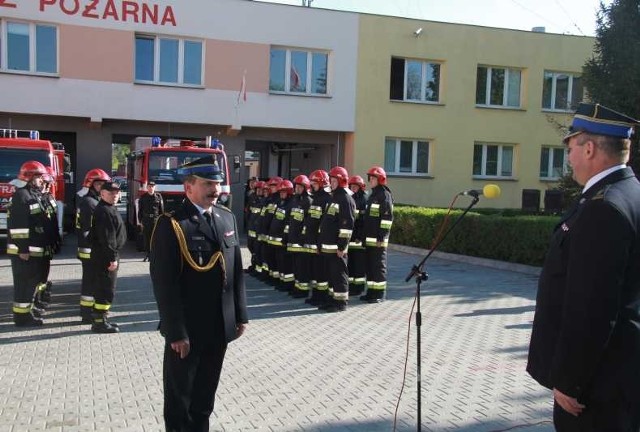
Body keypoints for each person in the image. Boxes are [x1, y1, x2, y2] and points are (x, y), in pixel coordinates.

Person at [527, 103, 640, 431]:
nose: (570, 158)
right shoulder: (628, 193)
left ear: (589, 148)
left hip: (594, 389)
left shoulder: (604, 208)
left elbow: (593, 306)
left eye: (571, 148)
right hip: (619, 375)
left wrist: (570, 380)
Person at [150, 155, 248, 432]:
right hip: (188, 330)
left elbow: (237, 271)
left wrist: (240, 315)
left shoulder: (226, 218)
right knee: (180, 397)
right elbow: (164, 284)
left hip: (220, 325)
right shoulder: (173, 224)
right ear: (188, 187)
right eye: (208, 184)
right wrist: (175, 332)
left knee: (205, 395)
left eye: (217, 183)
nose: (215, 190)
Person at [6, 161, 51, 326]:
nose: (41, 180)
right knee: (23, 284)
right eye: (38, 177)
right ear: (30, 177)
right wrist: (23, 249)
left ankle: (27, 312)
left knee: (30, 282)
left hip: (32, 250)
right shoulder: (21, 196)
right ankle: (22, 317)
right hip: (23, 252)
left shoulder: (31, 194)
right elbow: (19, 227)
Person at [89, 181, 127, 334]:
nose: (115, 195)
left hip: (108, 256)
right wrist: (112, 258)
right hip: (105, 258)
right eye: (111, 193)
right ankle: (99, 323)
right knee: (105, 290)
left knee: (106, 289)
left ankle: (102, 319)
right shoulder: (104, 211)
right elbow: (107, 237)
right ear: (102, 194)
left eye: (117, 192)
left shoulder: (109, 208)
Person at [317, 166, 355, 312]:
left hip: (337, 249)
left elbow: (347, 226)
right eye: (331, 180)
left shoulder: (345, 199)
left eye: (334, 181)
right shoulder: (334, 198)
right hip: (328, 247)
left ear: (341, 181)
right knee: (332, 276)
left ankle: (341, 302)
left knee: (339, 275)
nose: (331, 183)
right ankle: (332, 300)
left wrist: (342, 246)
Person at [75, 168, 111, 323]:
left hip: (89, 249)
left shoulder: (92, 201)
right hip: (89, 250)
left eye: (104, 184)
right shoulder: (90, 203)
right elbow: (91, 230)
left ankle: (88, 310)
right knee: (90, 282)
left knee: (92, 280)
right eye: (99, 184)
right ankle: (86, 313)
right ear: (91, 184)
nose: (102, 187)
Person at [360, 166, 394, 304]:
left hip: (378, 240)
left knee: (378, 267)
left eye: (373, 178)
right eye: (370, 178)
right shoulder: (372, 195)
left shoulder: (384, 195)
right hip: (369, 239)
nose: (371, 180)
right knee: (370, 267)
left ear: (380, 179)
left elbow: (387, 219)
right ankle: (371, 292)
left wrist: (382, 236)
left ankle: (380, 293)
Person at [303, 170, 332, 306]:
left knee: (321, 273)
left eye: (314, 183)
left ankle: (322, 297)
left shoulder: (326, 199)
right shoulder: (316, 199)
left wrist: (319, 243)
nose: (312, 186)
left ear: (321, 183)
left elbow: (324, 224)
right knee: (314, 272)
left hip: (319, 242)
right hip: (312, 242)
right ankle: (315, 295)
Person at [35, 167, 61, 308]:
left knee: (44, 271)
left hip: (49, 241)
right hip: (40, 242)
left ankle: (41, 295)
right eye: (45, 183)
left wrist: (56, 239)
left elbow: (53, 221)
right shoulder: (37, 199)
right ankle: (36, 299)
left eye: (48, 184)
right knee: (38, 273)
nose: (47, 186)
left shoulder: (49, 198)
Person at [287, 175, 313, 298]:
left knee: (303, 268)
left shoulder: (308, 201)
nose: (297, 188)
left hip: (301, 242)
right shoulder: (295, 200)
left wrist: (302, 237)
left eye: (299, 186)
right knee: (296, 267)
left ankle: (303, 291)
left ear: (305, 187)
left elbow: (308, 222)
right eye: (296, 186)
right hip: (293, 240)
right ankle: (297, 288)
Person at [347, 175, 367, 296]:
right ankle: (351, 286)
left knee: (359, 265)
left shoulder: (364, 199)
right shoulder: (351, 198)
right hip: (351, 237)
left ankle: (359, 287)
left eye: (355, 186)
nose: (353, 188)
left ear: (360, 187)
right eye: (352, 186)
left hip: (358, 238)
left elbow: (364, 221)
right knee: (351, 264)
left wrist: (360, 236)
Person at [138, 181, 164, 261]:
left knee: (156, 237)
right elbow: (140, 210)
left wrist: (161, 221)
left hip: (156, 220)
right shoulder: (143, 197)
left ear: (154, 187)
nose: (151, 188)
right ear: (147, 187)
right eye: (149, 186)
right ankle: (148, 254)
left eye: (152, 186)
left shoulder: (158, 196)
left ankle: (154, 254)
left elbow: (161, 210)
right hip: (146, 220)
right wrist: (140, 221)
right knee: (147, 237)